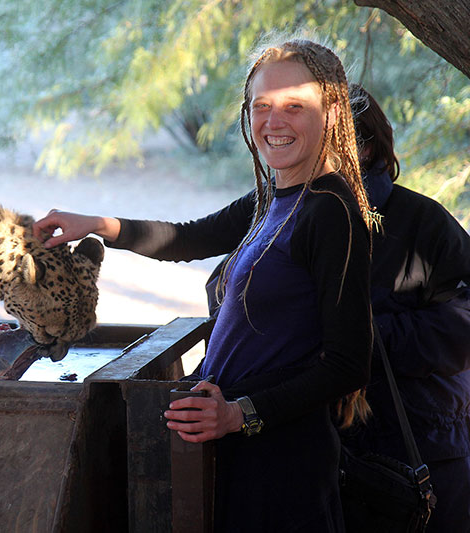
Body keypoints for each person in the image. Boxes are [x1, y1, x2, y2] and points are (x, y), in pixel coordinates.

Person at [34, 39, 373, 531]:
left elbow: (347, 364)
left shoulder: (332, 211)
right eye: (262, 106)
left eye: (294, 107)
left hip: (283, 466)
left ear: (334, 110)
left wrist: (240, 414)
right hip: (235, 446)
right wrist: (96, 223)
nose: (273, 123)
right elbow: (186, 238)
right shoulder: (270, 196)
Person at [339, 84, 470, 532]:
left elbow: (463, 329)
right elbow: (226, 287)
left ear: (368, 145)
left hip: (424, 448)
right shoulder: (284, 215)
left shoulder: (425, 223)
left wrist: (363, 335)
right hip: (329, 449)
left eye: (331, 139)